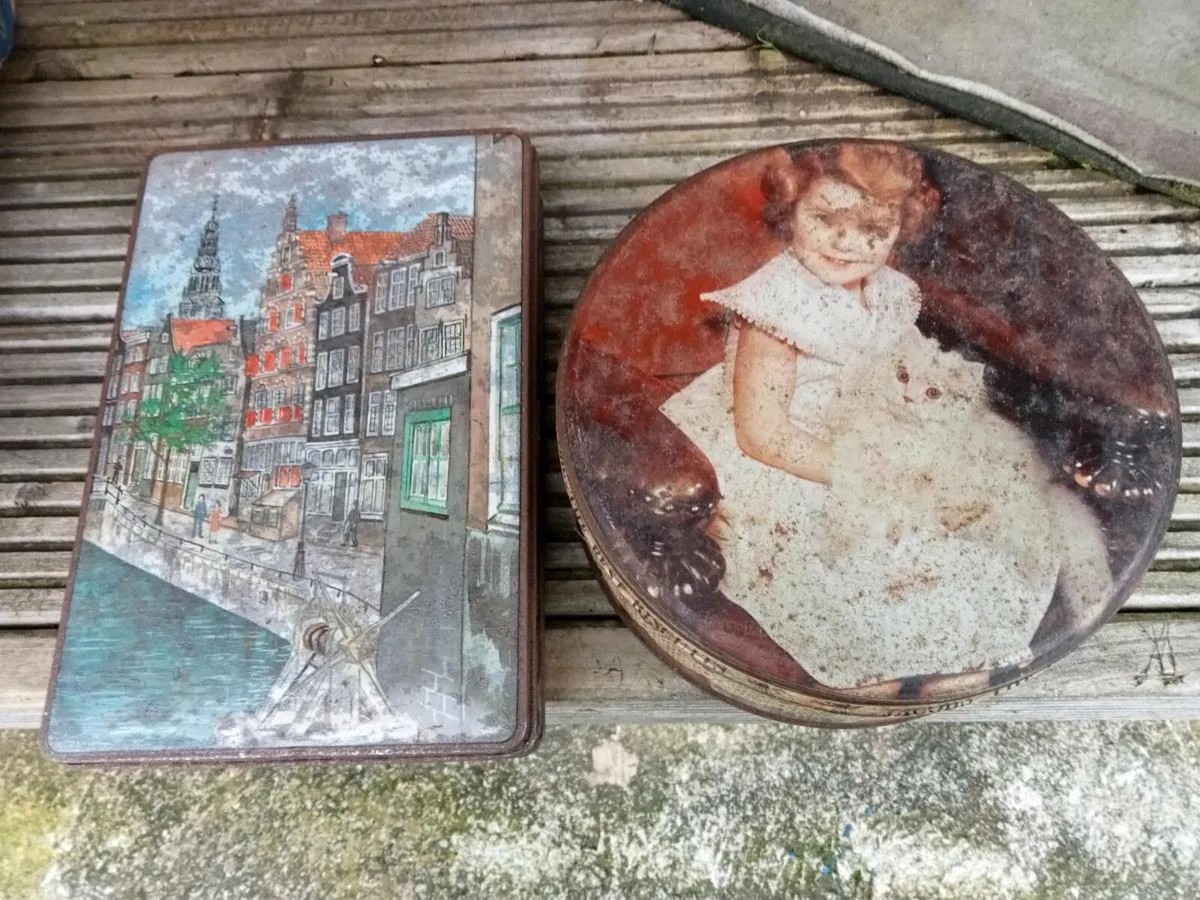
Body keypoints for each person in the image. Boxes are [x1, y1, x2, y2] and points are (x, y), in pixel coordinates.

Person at [660, 141, 1112, 692]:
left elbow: (910, 372)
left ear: (902, 230)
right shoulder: (775, 309)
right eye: (825, 220)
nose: (849, 245)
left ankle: (955, 670)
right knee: (859, 575)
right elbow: (763, 436)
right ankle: (876, 673)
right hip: (797, 458)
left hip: (877, 431)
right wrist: (878, 474)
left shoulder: (890, 293)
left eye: (875, 231)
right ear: (790, 210)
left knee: (970, 547)